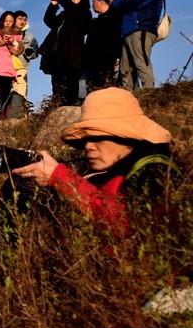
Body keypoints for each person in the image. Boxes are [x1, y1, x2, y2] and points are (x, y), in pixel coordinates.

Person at [9, 88, 176, 234]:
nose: (88, 145)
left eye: (98, 137)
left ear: (127, 138)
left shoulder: (157, 170)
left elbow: (125, 222)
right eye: (86, 139)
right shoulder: (102, 170)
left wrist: (60, 177)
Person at [109, 0, 166, 91]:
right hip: (130, 31)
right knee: (125, 70)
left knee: (142, 65)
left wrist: (115, 3)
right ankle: (128, 101)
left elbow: (134, 3)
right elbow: (129, 4)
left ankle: (149, 97)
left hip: (141, 29)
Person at [40, 0, 92, 106]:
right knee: (56, 82)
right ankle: (57, 104)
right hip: (56, 53)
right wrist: (53, 4)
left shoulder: (84, 13)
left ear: (83, 0)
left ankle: (71, 105)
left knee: (71, 81)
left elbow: (76, 14)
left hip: (72, 55)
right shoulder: (64, 14)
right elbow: (49, 20)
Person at [83, 0, 123, 93]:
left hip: (105, 62)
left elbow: (115, 40)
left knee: (103, 90)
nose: (92, 5)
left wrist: (116, 57)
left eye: (94, 1)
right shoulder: (97, 21)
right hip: (92, 63)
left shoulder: (113, 18)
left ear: (101, 2)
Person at [0, 11, 24, 119]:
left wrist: (13, 41)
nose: (8, 23)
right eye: (6, 21)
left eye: (11, 21)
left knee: (5, 96)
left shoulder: (17, 36)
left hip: (8, 70)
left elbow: (18, 51)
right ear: (2, 21)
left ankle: (3, 118)